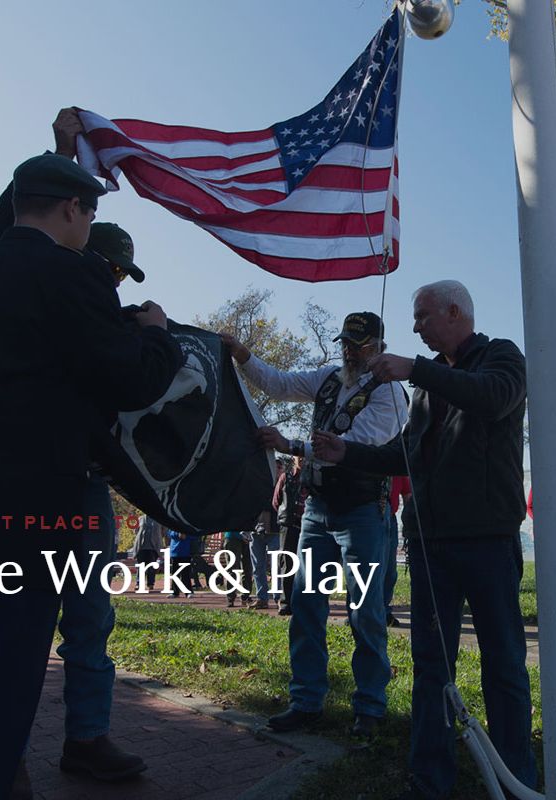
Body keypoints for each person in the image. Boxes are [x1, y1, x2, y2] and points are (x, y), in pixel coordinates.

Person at [0, 152, 183, 799]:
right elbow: (132, 377)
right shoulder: (66, 277)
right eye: (89, 212)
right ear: (72, 209)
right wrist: (158, 336)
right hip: (27, 512)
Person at [0, 110, 156, 785]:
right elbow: (14, 223)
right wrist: (62, 153)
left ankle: (86, 737)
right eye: (110, 268)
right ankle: (3, 750)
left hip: (83, 481)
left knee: (90, 619)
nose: (114, 281)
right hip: (27, 475)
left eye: (121, 276)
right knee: (17, 619)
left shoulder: (95, 307)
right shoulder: (34, 276)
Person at [312, 280, 538, 798]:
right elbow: (406, 453)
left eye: (422, 316)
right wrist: (348, 454)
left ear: (455, 311)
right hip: (432, 545)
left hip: (487, 541)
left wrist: (416, 368)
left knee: (503, 663)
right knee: (432, 666)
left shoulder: (500, 357)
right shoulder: (428, 383)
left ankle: (517, 777)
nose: (414, 328)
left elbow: (495, 399)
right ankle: (429, 777)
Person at [222, 311, 408, 739]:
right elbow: (279, 383)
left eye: (359, 345)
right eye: (346, 342)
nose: (350, 351)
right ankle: (306, 701)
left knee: (365, 612)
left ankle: (370, 707)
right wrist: (242, 355)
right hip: (318, 510)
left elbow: (361, 442)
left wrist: (294, 445)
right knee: (306, 606)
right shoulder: (327, 378)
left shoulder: (392, 393)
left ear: (378, 346)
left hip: (362, 509)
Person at [273, 455, 308, 616]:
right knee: (287, 563)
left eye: (304, 457)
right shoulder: (285, 477)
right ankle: (286, 601)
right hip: (289, 524)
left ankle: (303, 601)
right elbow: (276, 501)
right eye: (298, 456)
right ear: (294, 459)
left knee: (307, 564)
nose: (301, 459)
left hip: (307, 525)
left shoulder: (312, 478)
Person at [385, 474, 412, 626]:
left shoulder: (398, 469)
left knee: (389, 571)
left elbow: (407, 495)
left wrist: (409, 522)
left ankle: (385, 611)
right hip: (371, 515)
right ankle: (359, 610)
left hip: (391, 518)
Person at [249, 511, 281, 609]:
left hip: (275, 529)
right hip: (254, 530)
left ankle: (279, 598)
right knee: (257, 567)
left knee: (276, 566)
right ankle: (262, 599)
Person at [133, 514, 167, 590]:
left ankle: (150, 584)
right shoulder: (140, 518)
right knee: (140, 566)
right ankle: (139, 583)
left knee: (151, 567)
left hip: (153, 548)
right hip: (141, 547)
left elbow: (164, 532)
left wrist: (158, 538)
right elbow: (135, 531)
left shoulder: (159, 519)